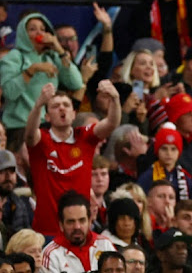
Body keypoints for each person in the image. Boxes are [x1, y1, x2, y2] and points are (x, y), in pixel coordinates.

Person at [24, 81, 121, 236]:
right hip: (47, 232)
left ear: (74, 114)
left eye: (66, 105)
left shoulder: (85, 137)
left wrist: (115, 99)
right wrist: (38, 105)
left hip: (80, 232)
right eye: (55, 106)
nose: (62, 108)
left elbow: (111, 123)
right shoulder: (41, 141)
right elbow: (29, 134)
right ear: (47, 116)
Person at [40, 191, 116, 273]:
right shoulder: (51, 254)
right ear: (61, 225)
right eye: (71, 221)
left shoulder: (105, 244)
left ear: (90, 221)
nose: (77, 226)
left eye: (82, 220)